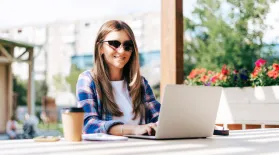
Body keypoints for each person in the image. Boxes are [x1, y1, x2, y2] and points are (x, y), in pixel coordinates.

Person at [76, 20, 229, 136]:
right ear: (100, 48)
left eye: (127, 45)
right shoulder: (88, 80)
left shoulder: (139, 83)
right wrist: (134, 130)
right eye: (114, 44)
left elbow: (162, 119)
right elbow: (89, 125)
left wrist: (202, 126)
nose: (122, 51)